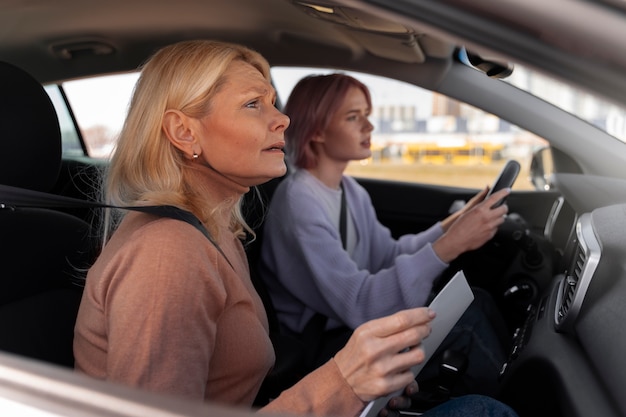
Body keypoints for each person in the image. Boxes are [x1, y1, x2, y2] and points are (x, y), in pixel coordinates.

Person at [73, 40, 518, 417]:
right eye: (253, 105)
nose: (282, 119)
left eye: (272, 102)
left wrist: (361, 390)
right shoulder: (166, 254)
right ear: (184, 133)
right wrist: (343, 383)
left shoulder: (215, 232)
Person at [258, 73, 512, 398]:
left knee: (478, 298)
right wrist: (451, 245)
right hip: (324, 350)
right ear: (317, 130)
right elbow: (360, 302)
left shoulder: (349, 190)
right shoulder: (299, 202)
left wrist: (456, 223)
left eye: (366, 115)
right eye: (354, 117)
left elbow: (388, 255)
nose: (369, 126)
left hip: (349, 329)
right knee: (467, 323)